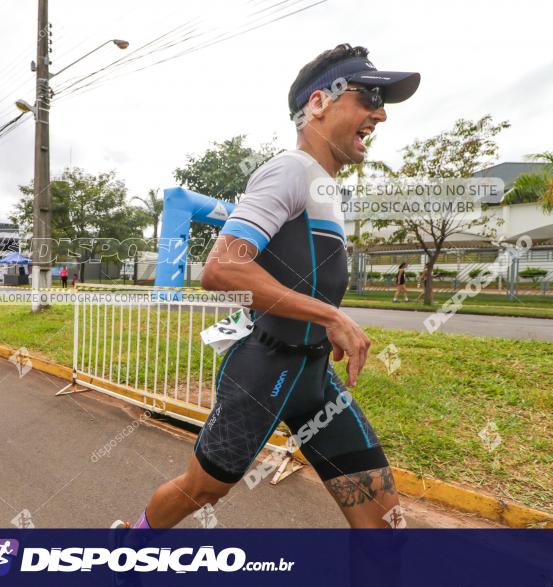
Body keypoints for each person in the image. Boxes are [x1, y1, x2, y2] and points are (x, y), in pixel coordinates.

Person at [114, 44, 420, 531]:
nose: (379, 114)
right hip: (264, 371)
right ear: (319, 103)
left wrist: (324, 323)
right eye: (368, 98)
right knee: (201, 489)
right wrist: (332, 316)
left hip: (316, 379)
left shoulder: (325, 186)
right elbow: (223, 270)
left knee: (383, 526)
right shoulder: (290, 170)